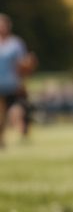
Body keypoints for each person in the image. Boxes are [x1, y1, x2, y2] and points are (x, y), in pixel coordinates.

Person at [0, 14, 36, 147]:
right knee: (1, 115)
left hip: (12, 84)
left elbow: (22, 64)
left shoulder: (16, 43)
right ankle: (1, 139)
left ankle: (22, 133)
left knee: (16, 110)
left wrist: (28, 65)